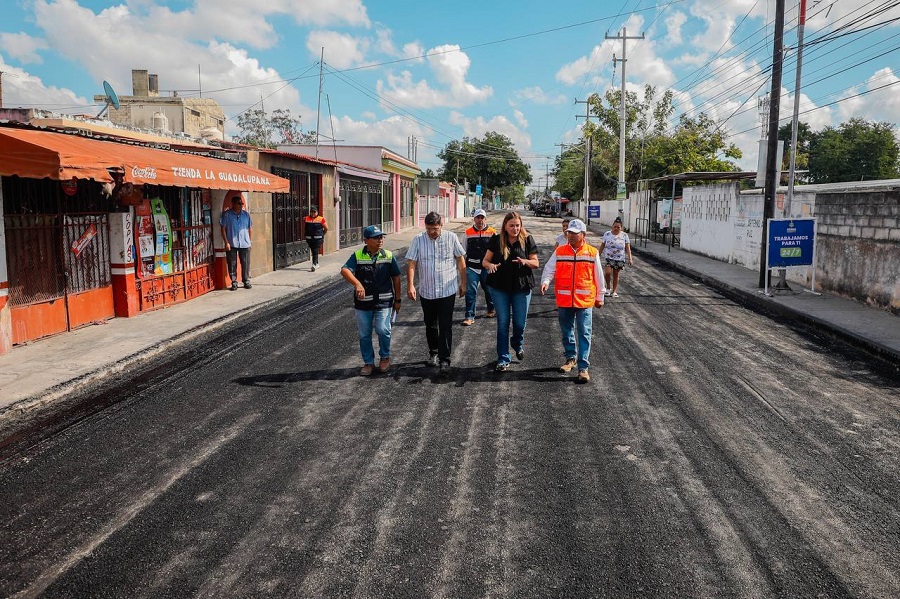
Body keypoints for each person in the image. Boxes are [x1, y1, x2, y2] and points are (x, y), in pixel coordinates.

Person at [540, 219, 605, 383]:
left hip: (584, 300)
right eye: (569, 233)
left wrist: (600, 297)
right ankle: (570, 359)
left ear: (583, 235)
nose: (571, 236)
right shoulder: (560, 251)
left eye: (575, 234)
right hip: (565, 299)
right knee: (566, 331)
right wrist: (545, 282)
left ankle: (583, 368)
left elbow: (599, 276)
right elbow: (549, 268)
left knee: (584, 333)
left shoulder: (591, 252)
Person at [406, 212, 466, 374]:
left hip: (447, 290)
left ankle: (444, 359)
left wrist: (464, 283)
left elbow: (461, 261)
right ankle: (433, 353)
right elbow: (412, 263)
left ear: (441, 225)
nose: (432, 232)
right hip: (427, 291)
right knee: (430, 324)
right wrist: (411, 285)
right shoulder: (418, 240)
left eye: (435, 228)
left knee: (446, 325)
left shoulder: (451, 238)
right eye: (429, 229)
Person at [341, 225, 402, 376]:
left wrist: (398, 299)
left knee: (383, 329)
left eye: (381, 237)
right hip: (363, 303)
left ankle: (385, 357)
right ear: (366, 240)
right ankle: (368, 362)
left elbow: (396, 278)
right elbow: (345, 270)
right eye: (376, 238)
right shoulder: (358, 256)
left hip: (384, 302)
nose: (380, 240)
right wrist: (357, 284)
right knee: (364, 334)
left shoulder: (388, 255)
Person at [482, 212, 539, 371]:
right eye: (511, 225)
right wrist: (490, 266)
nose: (515, 228)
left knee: (520, 323)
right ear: (505, 226)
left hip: (521, 287)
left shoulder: (527, 239)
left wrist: (525, 261)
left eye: (517, 225)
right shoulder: (496, 239)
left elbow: (536, 263)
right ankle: (503, 358)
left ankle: (517, 343)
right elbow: (485, 261)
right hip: (500, 287)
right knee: (503, 323)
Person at [462, 208, 497, 325]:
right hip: (472, 267)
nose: (480, 220)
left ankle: (491, 309)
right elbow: (464, 250)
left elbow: (496, 251)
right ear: (474, 219)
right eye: (478, 217)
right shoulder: (467, 232)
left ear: (485, 219)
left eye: (482, 217)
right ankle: (469, 316)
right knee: (470, 292)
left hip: (486, 268)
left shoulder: (492, 232)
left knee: (489, 289)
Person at [219, 195, 252, 291]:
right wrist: (226, 242)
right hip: (232, 243)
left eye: (241, 203)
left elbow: (250, 228)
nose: (241, 205)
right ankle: (234, 282)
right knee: (232, 263)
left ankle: (246, 280)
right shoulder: (227, 215)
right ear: (233, 204)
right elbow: (223, 229)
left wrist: (250, 241)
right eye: (239, 203)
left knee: (245, 263)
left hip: (245, 243)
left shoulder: (246, 215)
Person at [598, 216, 633, 298]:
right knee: (607, 273)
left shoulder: (624, 235)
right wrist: (597, 255)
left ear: (621, 228)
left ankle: (614, 291)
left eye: (618, 227)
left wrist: (630, 258)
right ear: (612, 226)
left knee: (616, 274)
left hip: (619, 258)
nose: (616, 228)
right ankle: (608, 288)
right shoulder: (607, 234)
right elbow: (602, 245)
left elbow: (628, 248)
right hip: (609, 257)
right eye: (615, 226)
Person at [304, 206, 328, 272]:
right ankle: (316, 263)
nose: (313, 213)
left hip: (318, 239)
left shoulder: (321, 219)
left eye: (314, 212)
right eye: (311, 212)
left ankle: (314, 265)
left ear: (317, 212)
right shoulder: (306, 218)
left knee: (315, 251)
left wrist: (322, 234)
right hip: (309, 238)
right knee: (313, 251)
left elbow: (326, 228)